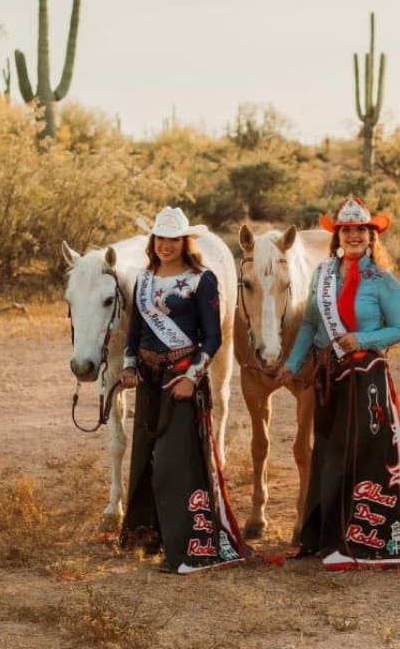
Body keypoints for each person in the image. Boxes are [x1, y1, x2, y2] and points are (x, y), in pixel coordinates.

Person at [276, 197, 400, 570]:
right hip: (329, 377)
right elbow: (313, 325)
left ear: (371, 236)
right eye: (347, 230)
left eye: (361, 229)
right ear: (338, 236)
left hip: (367, 379)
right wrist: (293, 364)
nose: (354, 236)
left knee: (367, 455)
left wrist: (361, 339)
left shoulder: (383, 281)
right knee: (330, 454)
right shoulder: (323, 275)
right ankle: (329, 535)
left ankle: (368, 535)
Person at [118, 206, 248, 574]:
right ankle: (146, 536)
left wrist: (192, 377)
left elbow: (213, 337)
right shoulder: (144, 280)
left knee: (176, 463)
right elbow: (134, 332)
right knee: (144, 458)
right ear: (153, 241)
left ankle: (189, 547)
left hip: (182, 379)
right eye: (160, 238)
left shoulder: (202, 279)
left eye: (173, 239)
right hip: (147, 378)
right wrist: (129, 366)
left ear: (184, 241)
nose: (166, 245)